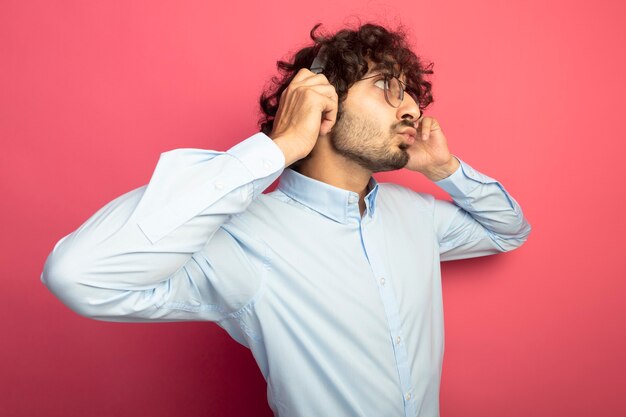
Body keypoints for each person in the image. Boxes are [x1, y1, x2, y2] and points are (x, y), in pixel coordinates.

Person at [41, 22, 531, 417]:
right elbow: (79, 276)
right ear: (320, 100)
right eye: (386, 86)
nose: (410, 109)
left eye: (410, 94)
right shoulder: (240, 240)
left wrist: (443, 169)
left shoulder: (418, 217)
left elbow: (508, 230)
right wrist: (278, 148)